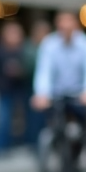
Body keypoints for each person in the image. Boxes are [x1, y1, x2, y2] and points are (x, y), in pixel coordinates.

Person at [31, 10, 86, 124]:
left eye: (68, 22)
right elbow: (44, 71)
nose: (65, 26)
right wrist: (42, 93)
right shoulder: (49, 44)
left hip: (78, 95)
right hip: (56, 95)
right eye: (61, 22)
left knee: (81, 128)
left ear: (76, 24)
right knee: (52, 127)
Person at [0, 21, 29, 158]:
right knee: (3, 119)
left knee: (15, 120)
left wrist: (20, 71)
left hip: (19, 89)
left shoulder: (22, 50)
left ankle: (8, 146)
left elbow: (29, 68)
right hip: (2, 89)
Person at [23, 19, 52, 148]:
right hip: (31, 87)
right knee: (33, 118)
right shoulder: (30, 48)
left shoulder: (52, 47)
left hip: (49, 89)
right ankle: (33, 143)